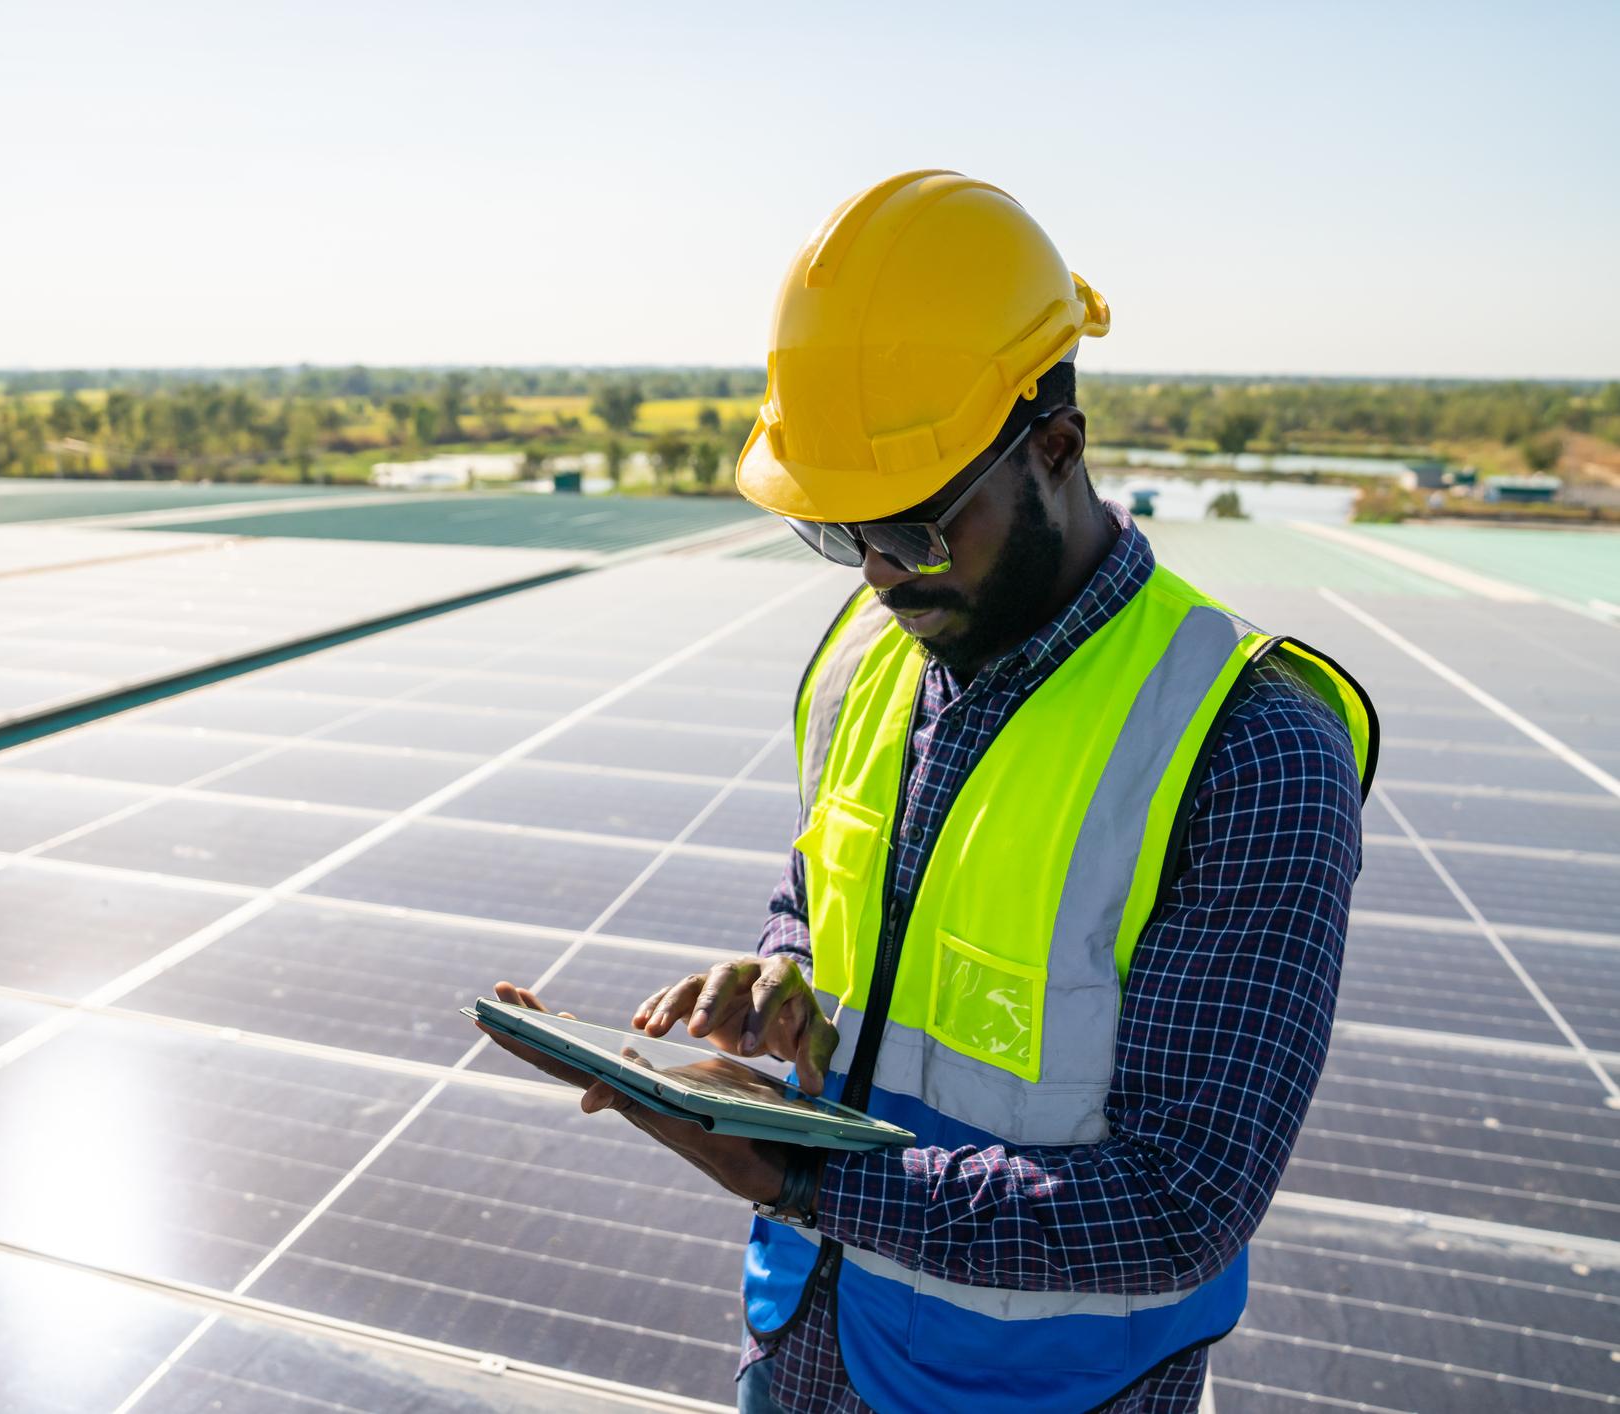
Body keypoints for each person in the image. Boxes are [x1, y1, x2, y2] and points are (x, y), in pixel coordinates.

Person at [480, 170, 1377, 1414]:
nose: (877, 573)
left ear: (1053, 447)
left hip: (1039, 1391)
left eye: (911, 526)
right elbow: (821, 902)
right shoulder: (865, 658)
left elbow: (1180, 1205)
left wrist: (800, 1179)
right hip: (806, 1331)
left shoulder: (1243, 743)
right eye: (836, 532)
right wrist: (782, 983)